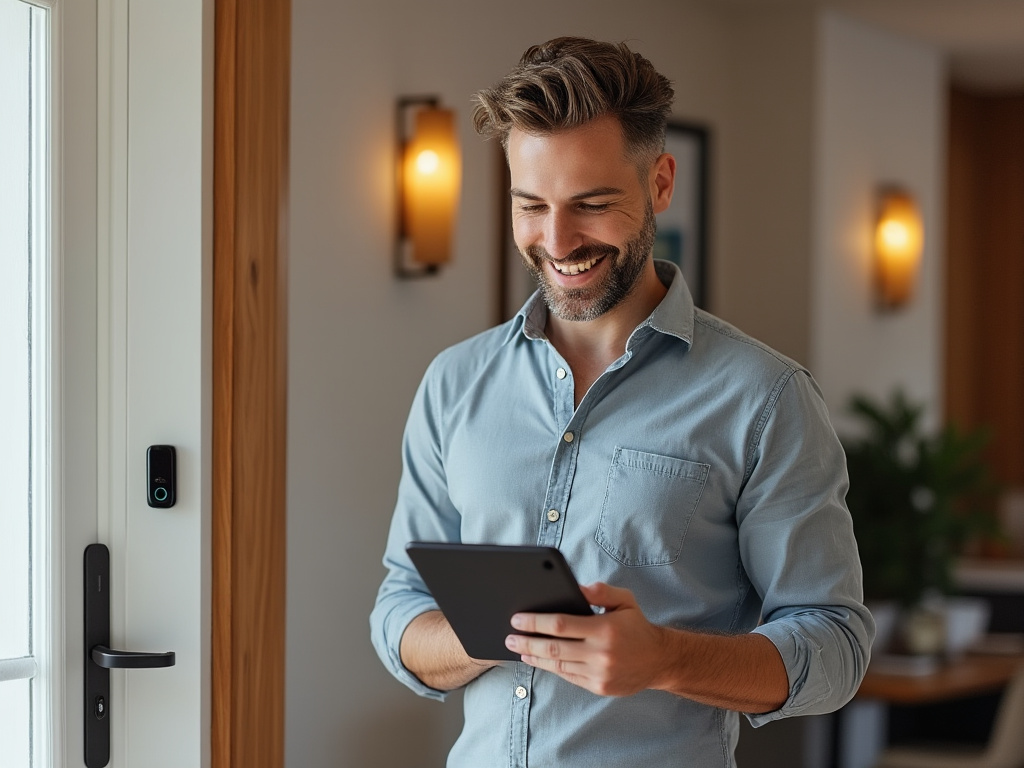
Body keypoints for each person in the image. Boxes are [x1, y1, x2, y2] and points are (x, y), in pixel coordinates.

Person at [371, 36, 874, 767]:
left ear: (661, 184)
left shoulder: (765, 398)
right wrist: (499, 632)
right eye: (530, 205)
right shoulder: (455, 383)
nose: (557, 239)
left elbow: (836, 645)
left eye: (592, 204)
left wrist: (665, 659)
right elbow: (400, 612)